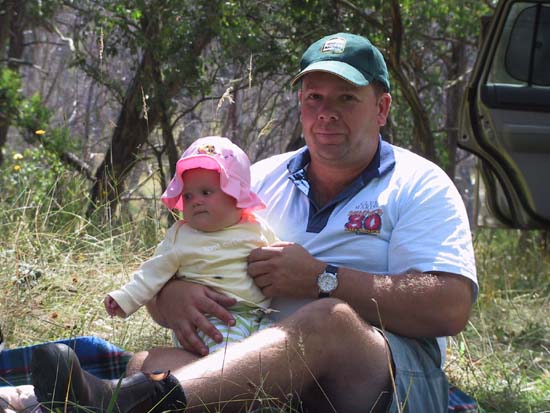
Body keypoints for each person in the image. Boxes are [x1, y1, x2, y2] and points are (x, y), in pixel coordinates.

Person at [30, 32, 477, 413]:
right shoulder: (255, 180)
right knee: (151, 359)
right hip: (259, 360)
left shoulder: (420, 184)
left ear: (381, 109)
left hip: (387, 378)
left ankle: (124, 403)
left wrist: (324, 280)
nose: (326, 113)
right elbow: (175, 267)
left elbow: (450, 307)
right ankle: (145, 397)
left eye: (347, 98)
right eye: (314, 98)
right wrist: (171, 295)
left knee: (330, 320)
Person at [104, 136, 278, 353]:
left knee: (279, 349)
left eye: (206, 192)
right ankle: (223, 383)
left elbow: (280, 257)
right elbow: (152, 273)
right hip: (211, 319)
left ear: (237, 196)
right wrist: (124, 299)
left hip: (259, 315)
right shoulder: (182, 236)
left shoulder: (255, 226)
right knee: (227, 357)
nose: (196, 201)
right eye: (187, 196)